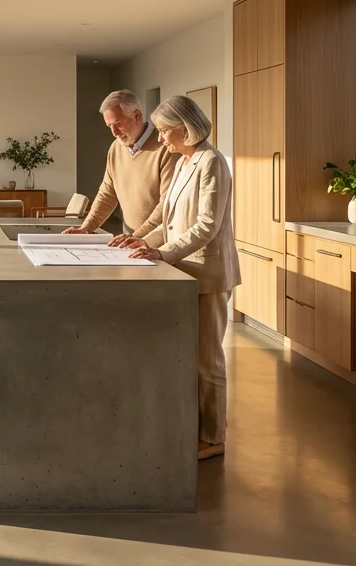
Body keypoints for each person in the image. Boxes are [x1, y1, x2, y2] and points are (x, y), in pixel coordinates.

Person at [116, 95, 240, 460]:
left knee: (208, 359)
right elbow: (168, 219)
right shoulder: (185, 161)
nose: (162, 139)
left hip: (208, 273)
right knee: (188, 357)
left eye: (167, 131)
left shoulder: (211, 162)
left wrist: (161, 253)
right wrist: (142, 240)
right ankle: (194, 427)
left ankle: (214, 437)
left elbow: (205, 226)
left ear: (186, 129)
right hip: (185, 272)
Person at [63, 90, 176, 243]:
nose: (114, 132)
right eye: (109, 126)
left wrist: (137, 236)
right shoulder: (116, 148)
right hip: (131, 241)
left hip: (160, 243)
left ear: (137, 115)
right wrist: (86, 228)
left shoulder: (166, 148)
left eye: (118, 124)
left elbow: (167, 204)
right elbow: (107, 194)